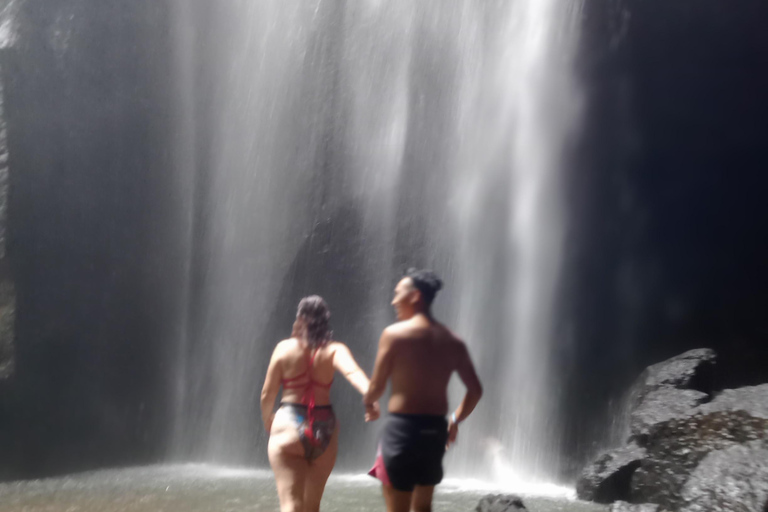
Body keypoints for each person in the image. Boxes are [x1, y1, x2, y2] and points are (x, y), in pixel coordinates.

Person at [364, 269, 483, 512]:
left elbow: (376, 388)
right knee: (424, 507)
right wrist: (455, 420)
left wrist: (369, 402)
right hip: (435, 431)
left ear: (415, 296)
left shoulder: (394, 335)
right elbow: (475, 390)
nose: (393, 300)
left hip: (402, 431)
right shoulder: (453, 340)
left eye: (398, 294)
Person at [261, 295, 379, 512]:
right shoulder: (335, 349)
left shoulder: (283, 349)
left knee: (291, 505)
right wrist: (370, 397)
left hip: (288, 421)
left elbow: (267, 393)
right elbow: (354, 373)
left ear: (300, 319)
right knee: (312, 506)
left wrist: (268, 419)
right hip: (324, 428)